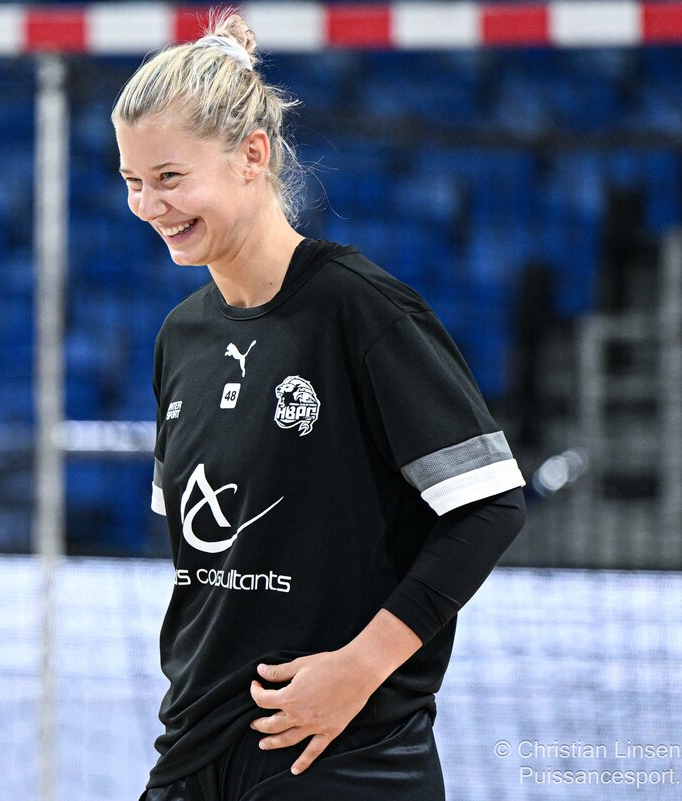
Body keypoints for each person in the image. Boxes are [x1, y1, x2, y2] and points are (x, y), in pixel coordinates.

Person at [112, 11, 528, 800]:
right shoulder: (181, 336)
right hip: (195, 748)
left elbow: (490, 505)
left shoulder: (360, 310)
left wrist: (359, 668)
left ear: (252, 156)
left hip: (341, 755)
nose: (147, 204)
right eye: (133, 181)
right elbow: (208, 565)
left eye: (168, 177)